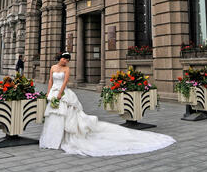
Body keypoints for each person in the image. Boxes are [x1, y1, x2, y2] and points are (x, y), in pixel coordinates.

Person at [39, 52, 176, 157]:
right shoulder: (53, 67)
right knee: (53, 115)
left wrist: (59, 94)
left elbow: (65, 82)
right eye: (64, 59)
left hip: (62, 93)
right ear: (60, 58)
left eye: (67, 60)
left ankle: (65, 137)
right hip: (53, 92)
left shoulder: (66, 69)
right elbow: (51, 80)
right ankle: (53, 139)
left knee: (67, 114)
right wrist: (49, 92)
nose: (66, 61)